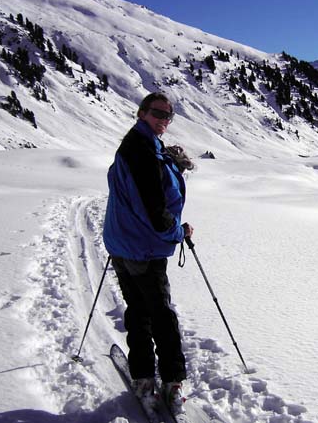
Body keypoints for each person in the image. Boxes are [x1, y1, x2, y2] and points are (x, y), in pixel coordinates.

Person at [103, 92, 194, 415]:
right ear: (142, 112)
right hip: (143, 248)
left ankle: (143, 377)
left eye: (168, 116)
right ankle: (170, 382)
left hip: (122, 243)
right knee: (160, 316)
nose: (163, 121)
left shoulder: (136, 145)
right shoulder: (140, 151)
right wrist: (178, 232)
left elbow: (129, 196)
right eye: (157, 114)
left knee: (139, 310)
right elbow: (154, 211)